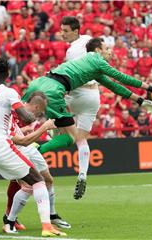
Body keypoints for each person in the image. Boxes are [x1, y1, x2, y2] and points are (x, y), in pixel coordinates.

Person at [22, 38, 152, 198]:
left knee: (20, 119)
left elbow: (114, 86)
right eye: (107, 48)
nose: (110, 51)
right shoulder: (97, 60)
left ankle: (21, 147)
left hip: (38, 83)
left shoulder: (92, 67)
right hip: (54, 91)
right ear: (98, 50)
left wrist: (141, 100)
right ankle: (36, 149)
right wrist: (151, 88)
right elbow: (122, 78)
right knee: (71, 137)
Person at [0, 58, 66, 238]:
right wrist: (34, 119)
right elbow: (26, 117)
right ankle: (46, 226)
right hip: (0, 143)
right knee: (37, 180)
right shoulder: (9, 92)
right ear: (8, 74)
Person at [3, 92, 71, 232]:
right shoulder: (15, 111)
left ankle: (52, 215)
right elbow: (8, 135)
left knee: (48, 180)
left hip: (29, 148)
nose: (39, 115)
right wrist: (38, 128)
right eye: (40, 111)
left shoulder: (25, 114)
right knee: (28, 186)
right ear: (36, 106)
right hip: (17, 149)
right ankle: (9, 220)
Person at [60, 16, 97, 199]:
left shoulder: (71, 52)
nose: (62, 34)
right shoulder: (89, 39)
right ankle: (82, 173)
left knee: (53, 113)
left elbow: (69, 77)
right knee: (82, 139)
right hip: (94, 96)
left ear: (76, 31)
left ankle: (44, 138)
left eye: (65, 31)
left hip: (77, 94)